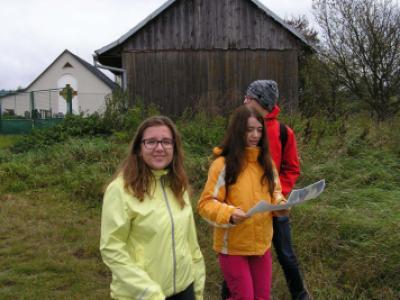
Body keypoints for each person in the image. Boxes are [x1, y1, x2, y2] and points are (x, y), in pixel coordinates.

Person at [100, 116, 205, 300]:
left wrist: (197, 286)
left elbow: (191, 244)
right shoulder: (120, 189)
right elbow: (112, 248)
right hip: (141, 295)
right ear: (139, 148)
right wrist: (147, 291)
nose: (159, 148)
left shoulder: (179, 185)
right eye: (151, 142)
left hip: (184, 289)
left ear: (174, 147)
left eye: (166, 142)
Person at [198, 105, 288, 300]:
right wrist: (229, 214)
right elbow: (206, 204)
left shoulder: (267, 162)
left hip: (261, 244)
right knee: (244, 297)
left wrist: (281, 205)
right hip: (233, 247)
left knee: (262, 298)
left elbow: (276, 192)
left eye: (259, 130)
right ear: (238, 130)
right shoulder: (222, 165)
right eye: (249, 129)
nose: (255, 135)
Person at [244, 79, 310, 300]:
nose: (244, 100)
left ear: (261, 102)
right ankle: (233, 294)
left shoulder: (284, 132)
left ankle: (300, 295)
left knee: (286, 255)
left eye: (250, 98)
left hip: (276, 208)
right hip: (246, 206)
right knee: (241, 253)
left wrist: (279, 194)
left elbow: (292, 168)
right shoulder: (240, 128)